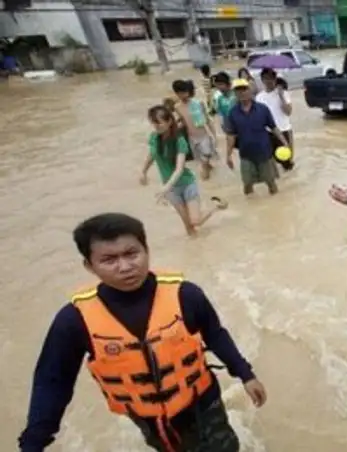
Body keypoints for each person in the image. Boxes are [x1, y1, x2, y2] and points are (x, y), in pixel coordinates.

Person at [17, 213, 267, 452]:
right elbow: (53, 380)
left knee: (223, 448)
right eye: (109, 260)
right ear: (89, 265)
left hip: (201, 401)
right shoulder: (74, 320)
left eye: (131, 253)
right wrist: (35, 441)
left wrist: (245, 374)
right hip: (146, 417)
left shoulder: (185, 295)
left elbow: (215, 334)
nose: (125, 267)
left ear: (146, 251)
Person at [140, 105, 227, 236]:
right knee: (189, 229)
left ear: (169, 121)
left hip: (186, 184)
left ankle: (216, 206)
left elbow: (179, 169)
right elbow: (152, 155)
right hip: (171, 189)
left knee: (195, 222)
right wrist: (143, 171)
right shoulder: (154, 137)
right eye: (153, 123)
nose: (156, 126)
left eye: (158, 122)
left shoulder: (179, 141)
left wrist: (165, 188)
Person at [224, 78, 288, 196]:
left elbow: (273, 128)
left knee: (271, 183)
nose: (241, 93)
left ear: (250, 90)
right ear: (235, 94)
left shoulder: (262, 109)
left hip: (265, 153)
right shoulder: (232, 113)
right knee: (247, 185)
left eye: (244, 89)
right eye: (238, 91)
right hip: (246, 155)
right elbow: (230, 136)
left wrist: (285, 143)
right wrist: (228, 155)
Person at [172, 80, 218, 180]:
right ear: (177, 93)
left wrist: (214, 135)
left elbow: (207, 119)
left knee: (204, 161)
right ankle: (210, 172)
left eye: (185, 91)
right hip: (192, 138)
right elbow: (183, 121)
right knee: (201, 161)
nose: (184, 94)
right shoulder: (177, 107)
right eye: (181, 92)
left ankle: (207, 182)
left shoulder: (198, 103)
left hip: (204, 136)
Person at [255, 69, 295, 171]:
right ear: (262, 80)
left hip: (284, 130)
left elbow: (289, 112)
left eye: (271, 78)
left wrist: (281, 96)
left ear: (275, 79)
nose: (268, 81)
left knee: (287, 162)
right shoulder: (259, 97)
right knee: (271, 161)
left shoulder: (283, 93)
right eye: (266, 78)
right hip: (268, 132)